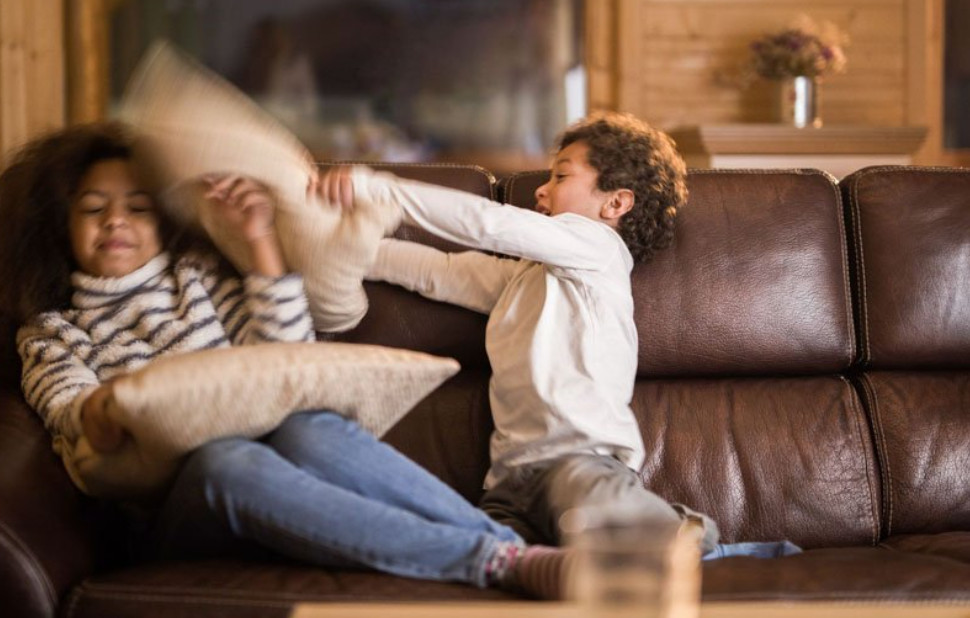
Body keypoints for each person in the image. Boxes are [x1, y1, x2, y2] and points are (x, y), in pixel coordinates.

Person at [0, 122, 570, 597]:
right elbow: (68, 412)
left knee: (306, 428)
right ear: (61, 227)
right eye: (93, 209)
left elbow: (289, 357)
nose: (116, 221)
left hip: (279, 476)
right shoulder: (53, 332)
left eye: (137, 207)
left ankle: (515, 556)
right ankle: (484, 559)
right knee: (226, 459)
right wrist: (101, 416)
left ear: (162, 221)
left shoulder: (199, 279)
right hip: (175, 511)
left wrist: (259, 244)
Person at [313, 112, 721, 555]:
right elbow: (438, 271)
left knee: (605, 535)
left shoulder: (600, 251)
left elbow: (489, 224)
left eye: (562, 175)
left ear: (615, 204)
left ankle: (687, 533)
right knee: (482, 561)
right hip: (509, 483)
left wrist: (377, 187)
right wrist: (336, 246)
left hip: (579, 467)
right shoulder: (522, 278)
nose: (542, 190)